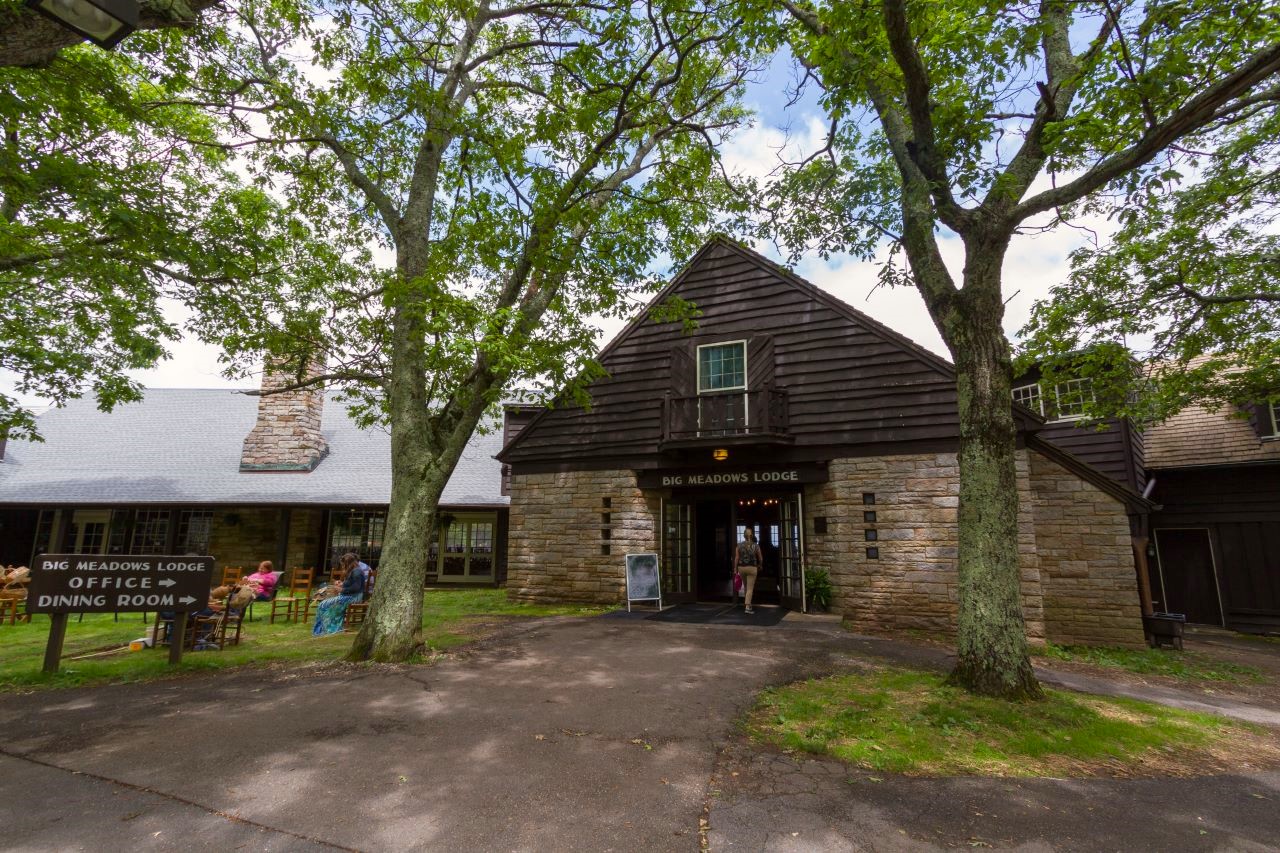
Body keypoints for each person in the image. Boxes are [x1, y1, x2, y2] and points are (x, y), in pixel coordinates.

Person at [312, 553, 369, 636]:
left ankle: (330, 628)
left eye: (343, 564)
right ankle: (323, 629)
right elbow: (350, 584)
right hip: (348, 595)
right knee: (323, 604)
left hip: (354, 597)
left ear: (348, 563)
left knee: (324, 605)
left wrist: (342, 589)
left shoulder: (357, 572)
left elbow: (356, 588)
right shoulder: (353, 571)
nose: (342, 566)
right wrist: (341, 584)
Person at [733, 526, 762, 614]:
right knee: (750, 588)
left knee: (746, 586)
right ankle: (747, 606)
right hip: (752, 568)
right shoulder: (756, 546)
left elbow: (736, 558)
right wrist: (760, 565)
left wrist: (735, 568)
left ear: (744, 536)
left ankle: (748, 604)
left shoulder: (739, 545)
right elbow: (760, 557)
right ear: (752, 535)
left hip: (741, 568)